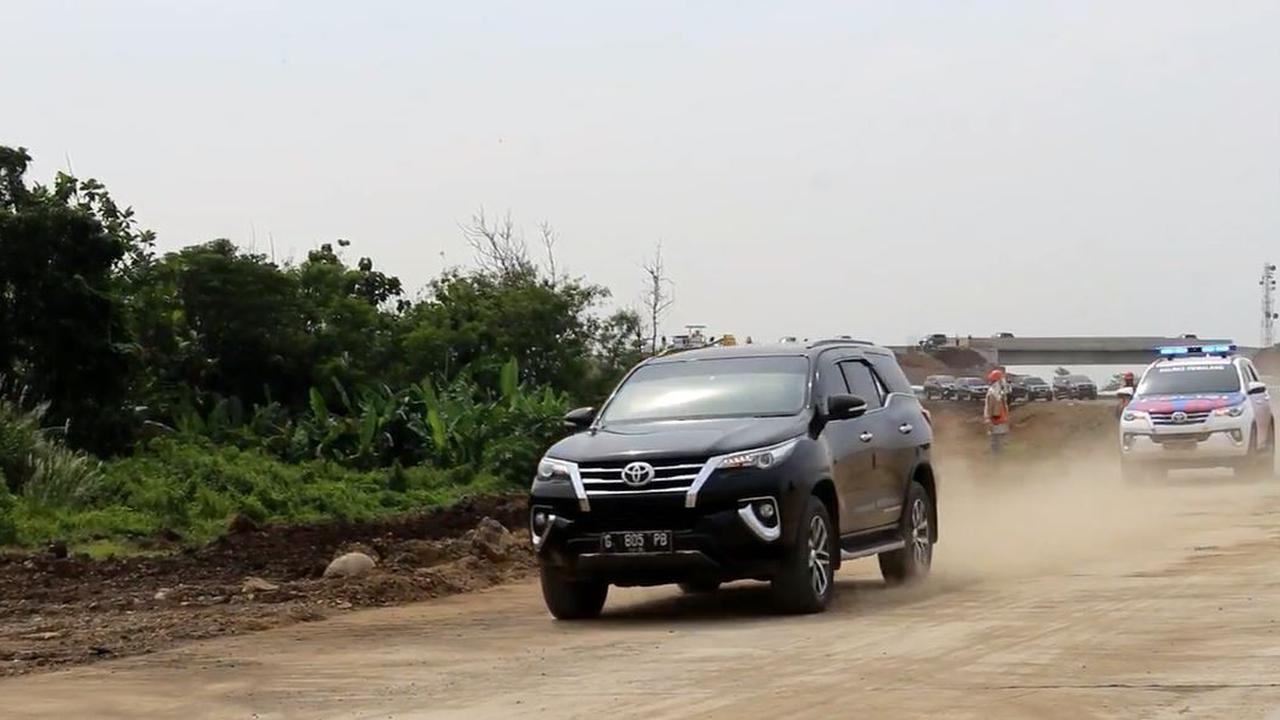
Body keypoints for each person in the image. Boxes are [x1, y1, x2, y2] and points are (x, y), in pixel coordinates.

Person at [984, 368, 1010, 453]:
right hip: (996, 421)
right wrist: (988, 420)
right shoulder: (993, 393)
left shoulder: (999, 393)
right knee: (996, 445)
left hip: (1001, 421)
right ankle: (996, 462)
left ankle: (999, 460)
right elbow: (989, 408)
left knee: (1002, 444)